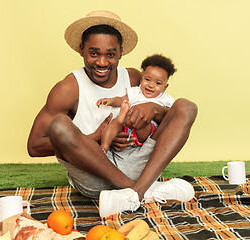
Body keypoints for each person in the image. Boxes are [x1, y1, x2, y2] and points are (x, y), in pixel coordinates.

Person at [27, 10, 198, 218]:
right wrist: (95, 139)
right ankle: (142, 191)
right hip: (94, 172)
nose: (102, 62)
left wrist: (154, 109)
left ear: (121, 52)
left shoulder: (135, 77)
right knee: (59, 125)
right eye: (94, 53)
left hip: (137, 162)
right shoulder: (68, 88)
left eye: (110, 54)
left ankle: (134, 193)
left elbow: (171, 123)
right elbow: (34, 146)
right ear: (82, 50)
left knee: (187, 107)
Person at [97, 54, 176, 153]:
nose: (151, 85)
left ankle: (134, 136)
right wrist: (111, 101)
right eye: (147, 79)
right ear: (141, 79)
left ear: (165, 87)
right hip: (127, 123)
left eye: (158, 83)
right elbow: (122, 99)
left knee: (143, 122)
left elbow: (173, 115)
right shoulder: (136, 92)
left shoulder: (165, 99)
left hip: (147, 128)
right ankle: (104, 147)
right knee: (115, 122)